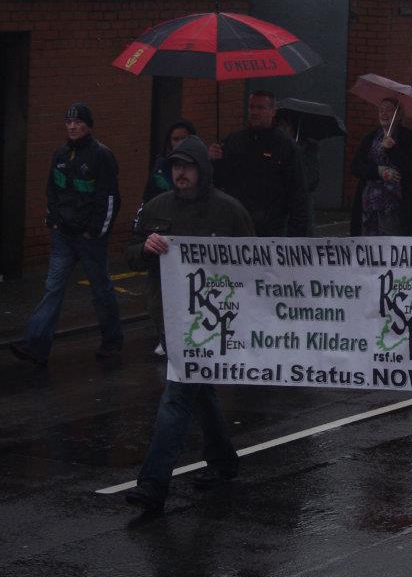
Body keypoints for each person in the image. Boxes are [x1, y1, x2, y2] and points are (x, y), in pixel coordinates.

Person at [123, 135, 255, 512]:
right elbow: (130, 254)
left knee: (179, 394)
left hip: (213, 321)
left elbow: (255, 261)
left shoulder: (229, 211)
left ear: (203, 171)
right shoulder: (157, 207)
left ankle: (153, 484)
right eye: (176, 167)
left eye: (188, 167)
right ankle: (223, 460)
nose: (180, 173)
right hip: (169, 317)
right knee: (199, 390)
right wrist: (144, 248)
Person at [9, 103, 123, 366]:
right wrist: (53, 219)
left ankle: (112, 341)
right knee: (53, 288)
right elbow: (52, 189)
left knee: (100, 290)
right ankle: (36, 345)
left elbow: (109, 199)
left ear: (88, 125)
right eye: (68, 122)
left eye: (78, 122)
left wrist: (95, 231)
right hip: (64, 235)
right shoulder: (60, 154)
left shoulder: (101, 156)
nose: (72, 126)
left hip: (89, 239)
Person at [210, 90, 310, 237]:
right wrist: (214, 161)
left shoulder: (285, 146)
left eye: (260, 107)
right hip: (236, 227)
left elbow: (298, 194)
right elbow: (218, 181)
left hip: (271, 231)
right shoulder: (234, 141)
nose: (254, 112)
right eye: (251, 107)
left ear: (273, 111)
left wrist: (295, 237)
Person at [137, 118, 197, 358]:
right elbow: (148, 198)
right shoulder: (161, 168)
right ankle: (164, 335)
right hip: (163, 236)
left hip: (188, 239)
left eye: (184, 138)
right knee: (158, 297)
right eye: (175, 139)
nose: (179, 143)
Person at [350, 98, 412, 237]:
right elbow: (356, 166)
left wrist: (392, 150)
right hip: (369, 203)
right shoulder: (371, 138)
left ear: (398, 114)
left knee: (392, 241)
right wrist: (378, 171)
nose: (384, 114)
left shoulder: (409, 137)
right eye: (381, 110)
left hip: (398, 205)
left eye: (389, 110)